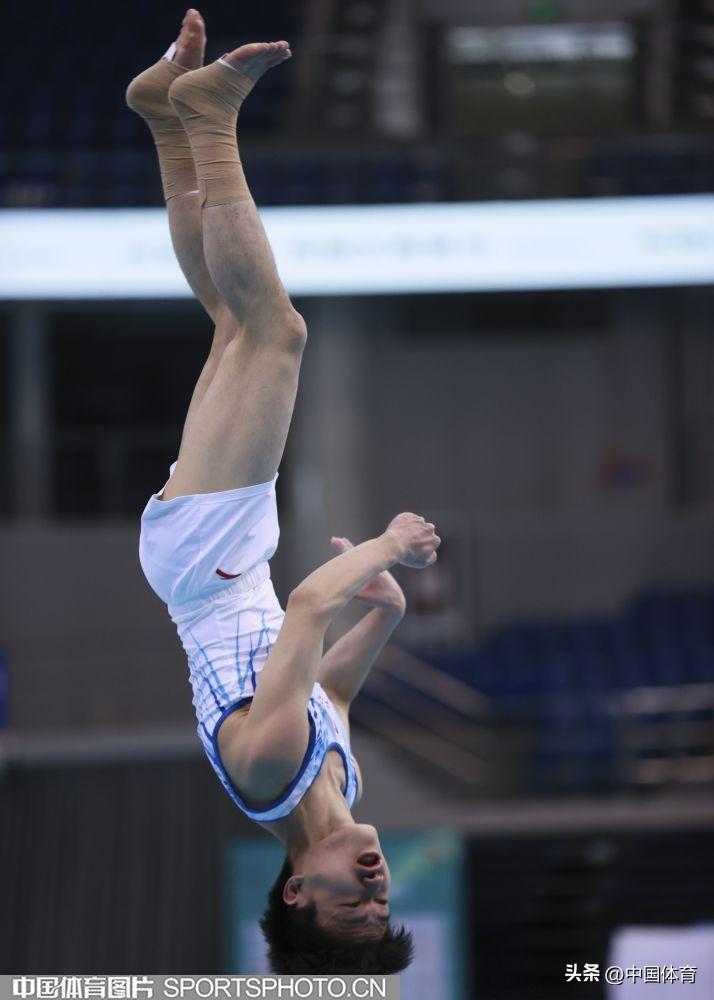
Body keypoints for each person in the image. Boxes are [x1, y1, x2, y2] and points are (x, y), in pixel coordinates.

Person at [127, 9, 440, 974]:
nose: (375, 888)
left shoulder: (268, 778)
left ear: (297, 890)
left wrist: (390, 548)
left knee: (278, 334)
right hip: (217, 562)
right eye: (383, 906)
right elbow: (325, 687)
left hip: (211, 567)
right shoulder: (334, 781)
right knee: (234, 322)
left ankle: (212, 117)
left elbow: (305, 608)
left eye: (351, 908)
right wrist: (383, 617)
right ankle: (166, 117)